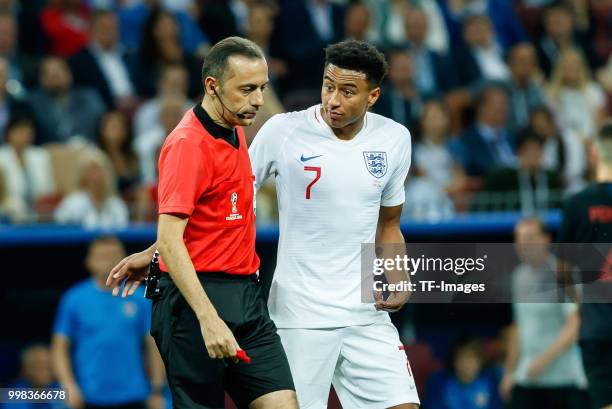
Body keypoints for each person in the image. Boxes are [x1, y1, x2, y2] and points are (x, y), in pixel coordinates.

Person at [106, 37, 298, 409]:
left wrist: (154, 250)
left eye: (262, 88)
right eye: (247, 89)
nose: (257, 100)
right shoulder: (187, 145)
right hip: (195, 304)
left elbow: (199, 225)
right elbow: (174, 239)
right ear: (212, 86)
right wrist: (208, 319)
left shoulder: (235, 124)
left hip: (247, 299)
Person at [249, 40, 419, 409]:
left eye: (347, 91)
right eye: (329, 86)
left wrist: (398, 275)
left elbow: (389, 224)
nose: (333, 100)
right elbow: (233, 199)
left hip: (365, 312)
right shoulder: (283, 131)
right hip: (300, 314)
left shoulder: (394, 139)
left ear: (373, 96)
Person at [51, 236, 165, 409]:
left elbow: (154, 344)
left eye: (113, 255)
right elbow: (60, 346)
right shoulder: (73, 299)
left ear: (125, 259)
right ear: (89, 262)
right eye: (101, 256)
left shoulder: (140, 297)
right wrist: (68, 385)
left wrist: (157, 389)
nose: (108, 261)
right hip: (88, 396)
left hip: (134, 395)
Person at [500, 217, 587, 409]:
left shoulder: (565, 273)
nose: (523, 244)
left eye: (529, 237)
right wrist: (509, 371)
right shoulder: (518, 277)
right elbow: (519, 326)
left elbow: (574, 326)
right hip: (526, 379)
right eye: (519, 238)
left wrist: (543, 361)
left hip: (563, 380)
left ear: (546, 239)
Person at [556, 121, 612, 409]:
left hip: (597, 326)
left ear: (594, 154)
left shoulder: (578, 204)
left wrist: (580, 304)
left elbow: (561, 271)